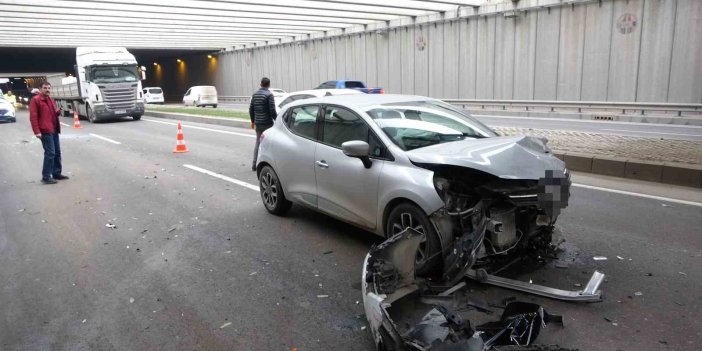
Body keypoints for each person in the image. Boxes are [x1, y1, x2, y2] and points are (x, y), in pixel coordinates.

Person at [29, 82, 68, 184]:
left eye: (49, 88)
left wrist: (58, 112)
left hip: (54, 129)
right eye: (45, 88)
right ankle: (46, 177)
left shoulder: (50, 99)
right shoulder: (36, 100)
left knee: (57, 153)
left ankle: (56, 173)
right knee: (50, 153)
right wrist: (37, 131)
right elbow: (33, 117)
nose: (47, 90)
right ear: (40, 89)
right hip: (45, 131)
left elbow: (51, 114)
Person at [249, 77, 277, 171]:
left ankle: (254, 164)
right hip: (268, 124)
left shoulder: (255, 95)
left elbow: (251, 109)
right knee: (270, 143)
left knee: (258, 143)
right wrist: (276, 119)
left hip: (258, 123)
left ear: (260, 84)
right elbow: (272, 110)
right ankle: (271, 165)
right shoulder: (269, 95)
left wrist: (253, 121)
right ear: (269, 85)